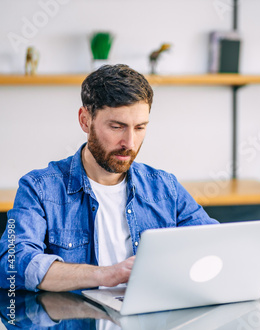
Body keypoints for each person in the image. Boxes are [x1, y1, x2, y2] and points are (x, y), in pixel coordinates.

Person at [0, 64, 218, 292]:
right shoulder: (39, 189)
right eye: (117, 126)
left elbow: (214, 244)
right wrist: (106, 274)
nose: (130, 143)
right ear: (85, 120)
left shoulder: (165, 188)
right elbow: (11, 265)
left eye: (140, 127)